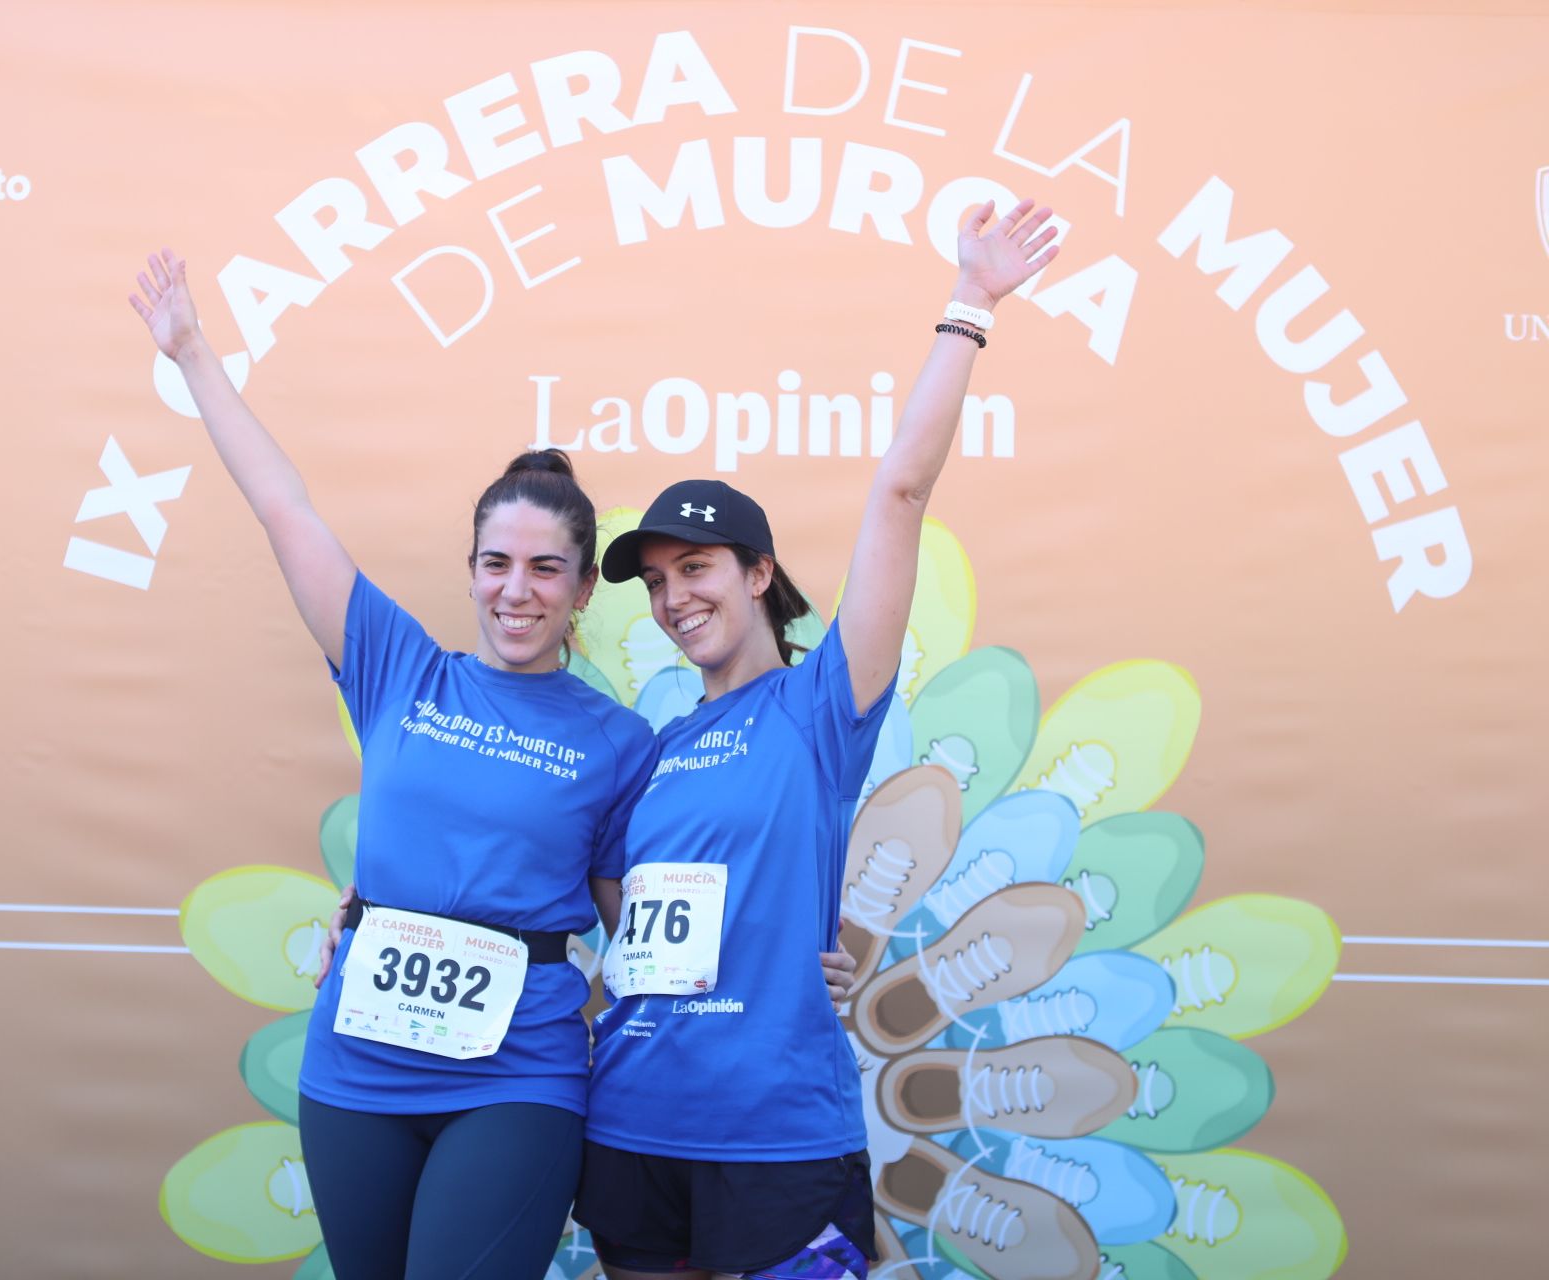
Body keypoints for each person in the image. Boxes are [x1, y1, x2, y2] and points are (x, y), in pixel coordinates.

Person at [130, 251, 855, 1280]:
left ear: (578, 592)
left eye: (546, 568)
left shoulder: (620, 741)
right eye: (496, 564)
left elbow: (651, 920)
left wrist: (793, 964)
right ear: (471, 572)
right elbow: (285, 508)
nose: (518, 590)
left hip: (518, 1072)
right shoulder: (396, 669)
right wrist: (194, 353)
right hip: (358, 1063)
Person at [572, 198, 1061, 1280]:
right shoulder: (653, 752)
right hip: (633, 1120)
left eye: (694, 569)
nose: (671, 598)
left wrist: (968, 305)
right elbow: (616, 905)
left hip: (779, 1136)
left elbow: (899, 491)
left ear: (757, 574)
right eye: (654, 582)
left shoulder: (819, 708)